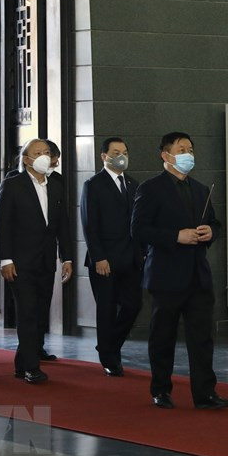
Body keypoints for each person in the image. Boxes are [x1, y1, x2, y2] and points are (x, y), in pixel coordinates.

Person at [131, 132, 228, 410]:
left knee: (202, 338)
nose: (189, 154)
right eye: (181, 149)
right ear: (166, 155)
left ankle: (205, 393)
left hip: (198, 275)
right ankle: (160, 390)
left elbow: (215, 223)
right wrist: (176, 236)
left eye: (191, 149)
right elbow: (138, 230)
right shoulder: (151, 188)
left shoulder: (201, 189)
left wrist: (211, 232)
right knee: (163, 335)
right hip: (165, 275)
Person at [0, 138, 73, 383]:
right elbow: (2, 224)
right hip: (19, 262)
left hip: (46, 261)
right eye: (37, 152)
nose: (44, 156)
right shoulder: (13, 185)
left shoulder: (57, 184)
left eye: (47, 152)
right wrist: (5, 259)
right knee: (27, 312)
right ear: (26, 159)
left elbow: (63, 225)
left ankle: (23, 362)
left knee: (39, 312)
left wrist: (67, 257)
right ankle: (31, 367)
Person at [80, 137, 143, 376]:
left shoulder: (134, 184)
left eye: (124, 151)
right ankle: (109, 357)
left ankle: (109, 344)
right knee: (106, 310)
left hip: (131, 259)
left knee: (133, 306)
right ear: (104, 156)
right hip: (104, 260)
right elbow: (89, 225)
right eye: (116, 152)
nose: (121, 155)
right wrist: (99, 257)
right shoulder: (93, 185)